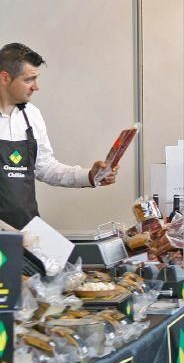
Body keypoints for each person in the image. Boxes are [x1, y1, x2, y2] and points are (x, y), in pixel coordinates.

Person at [0, 42, 118, 228]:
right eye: (29, 79)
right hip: (3, 239)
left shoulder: (31, 115)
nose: (36, 87)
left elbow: (45, 168)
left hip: (29, 229)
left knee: (66, 257)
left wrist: (89, 176)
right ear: (5, 78)